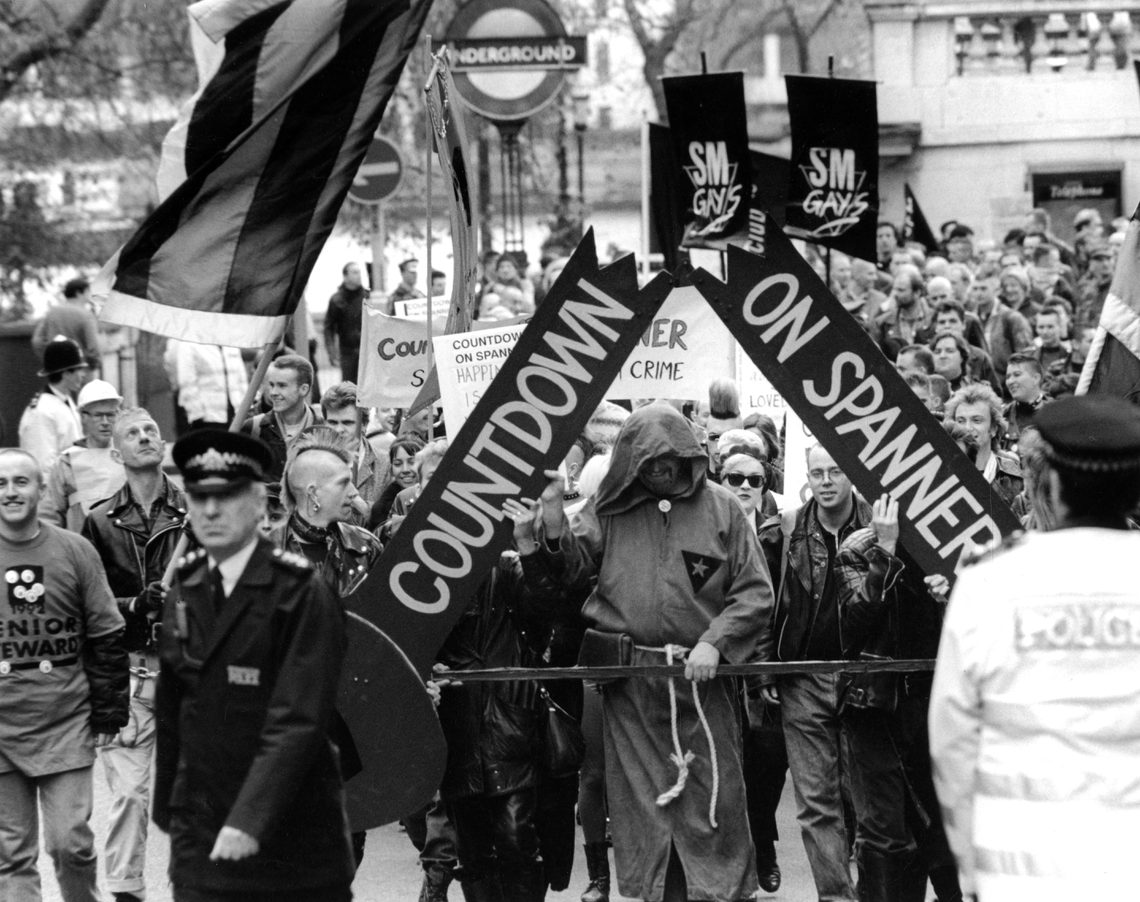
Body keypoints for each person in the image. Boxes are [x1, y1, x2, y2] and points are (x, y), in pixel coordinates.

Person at [526, 402, 772, 902]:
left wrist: (714, 642)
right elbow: (570, 576)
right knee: (642, 809)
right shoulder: (609, 509)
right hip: (632, 688)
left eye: (670, 462)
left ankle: (718, 894)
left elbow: (755, 592)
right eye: (648, 462)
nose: (660, 471)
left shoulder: (723, 507)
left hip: (702, 685)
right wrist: (553, 513)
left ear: (689, 458)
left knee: (713, 802)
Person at [930, 394, 1140, 901]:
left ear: (1049, 481)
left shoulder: (988, 578)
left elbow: (953, 742)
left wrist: (970, 866)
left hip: (1019, 870)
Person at [155, 429, 354, 901]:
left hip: (291, 837)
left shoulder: (300, 592)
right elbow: (174, 706)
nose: (209, 511)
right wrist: (170, 806)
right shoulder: (186, 587)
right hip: (203, 831)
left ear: (257, 503)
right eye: (199, 497)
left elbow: (297, 717)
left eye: (225, 497)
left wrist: (249, 820)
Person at [0, 446, 129, 901]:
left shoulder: (75, 551)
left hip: (65, 724)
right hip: (1, 732)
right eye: (1, 483)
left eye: (21, 481)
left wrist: (109, 714)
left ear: (40, 488)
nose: (11, 492)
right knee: (11, 856)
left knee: (69, 843)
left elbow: (107, 634)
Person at [81, 408, 187, 902]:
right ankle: (126, 890)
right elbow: (88, 606)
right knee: (127, 796)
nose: (145, 437)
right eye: (132, 433)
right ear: (115, 452)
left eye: (151, 430)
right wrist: (133, 604)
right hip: (132, 676)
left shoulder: (196, 512)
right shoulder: (99, 522)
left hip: (191, 675)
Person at [834, 496, 963, 902]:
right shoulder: (859, 547)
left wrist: (953, 596)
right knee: (886, 834)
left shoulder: (965, 547)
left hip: (942, 706)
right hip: (878, 705)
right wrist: (885, 553)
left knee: (946, 832)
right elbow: (851, 625)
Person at [758, 444, 871, 902]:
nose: (826, 481)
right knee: (817, 803)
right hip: (801, 677)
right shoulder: (782, 532)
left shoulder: (876, 525)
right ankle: (836, 896)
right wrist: (763, 672)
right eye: (817, 472)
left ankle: (873, 891)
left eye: (836, 471)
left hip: (861, 677)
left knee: (866, 802)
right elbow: (763, 604)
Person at [40, 379, 126, 531]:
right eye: (98, 415)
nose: (105, 422)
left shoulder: (129, 456)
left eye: (111, 415)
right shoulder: (66, 462)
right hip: (83, 549)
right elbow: (50, 517)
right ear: (83, 417)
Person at [243, 354, 322, 482]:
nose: (273, 392)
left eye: (282, 385)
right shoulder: (252, 428)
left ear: (303, 389)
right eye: (272, 385)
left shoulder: (324, 430)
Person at [19, 338, 90, 476]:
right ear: (66, 373)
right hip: (55, 492)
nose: (83, 375)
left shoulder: (65, 400)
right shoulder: (42, 411)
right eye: (79, 369)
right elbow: (42, 466)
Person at [944, 384, 1023, 506]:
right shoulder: (941, 471)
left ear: (993, 429)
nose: (967, 428)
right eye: (960, 421)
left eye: (976, 420)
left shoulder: (1014, 478)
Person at [320, 382, 383, 521]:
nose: (339, 430)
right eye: (332, 422)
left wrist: (362, 505)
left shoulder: (386, 464)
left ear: (364, 425)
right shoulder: (310, 462)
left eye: (347, 423)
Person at [165, 340, 250, 433]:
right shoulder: (189, 343)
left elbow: (241, 378)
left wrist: (246, 407)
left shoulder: (230, 342)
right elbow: (187, 382)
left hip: (236, 414)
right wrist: (197, 415)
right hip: (209, 417)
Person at [32, 277, 101, 366]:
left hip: (56, 366)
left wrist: (48, 359)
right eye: (88, 291)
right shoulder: (86, 315)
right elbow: (93, 346)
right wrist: (95, 363)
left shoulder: (52, 312)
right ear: (79, 293)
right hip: (80, 366)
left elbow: (37, 341)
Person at [367, 436, 424, 531]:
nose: (405, 470)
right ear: (391, 469)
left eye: (412, 462)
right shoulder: (381, 511)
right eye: (398, 464)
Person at [324, 262, 368, 383]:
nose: (359, 275)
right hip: (347, 353)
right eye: (354, 272)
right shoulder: (336, 300)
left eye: (359, 272)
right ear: (345, 276)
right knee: (349, 388)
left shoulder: (367, 296)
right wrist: (332, 353)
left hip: (367, 352)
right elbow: (329, 328)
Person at [1001, 352, 1047, 451]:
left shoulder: (1057, 413)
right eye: (1008, 377)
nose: (1010, 381)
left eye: (1017, 375)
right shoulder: (1001, 416)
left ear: (1036, 378)